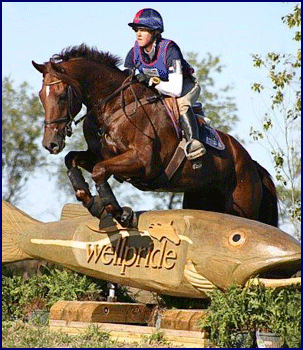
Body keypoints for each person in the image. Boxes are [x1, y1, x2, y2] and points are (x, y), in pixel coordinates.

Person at [124, 8, 206, 160]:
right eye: (136, 30)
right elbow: (126, 84)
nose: (138, 34)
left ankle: (194, 144)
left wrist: (150, 81)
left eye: (143, 30)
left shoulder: (170, 50)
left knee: (181, 104)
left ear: (155, 32)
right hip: (159, 89)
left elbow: (175, 90)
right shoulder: (133, 53)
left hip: (185, 87)